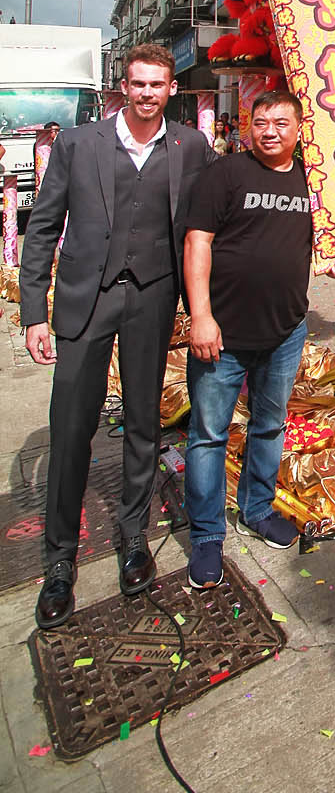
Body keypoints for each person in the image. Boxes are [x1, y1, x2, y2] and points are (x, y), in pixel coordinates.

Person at [20, 44, 215, 629]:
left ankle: (134, 536)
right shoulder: (79, 146)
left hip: (153, 297)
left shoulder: (191, 147)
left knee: (142, 424)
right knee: (71, 427)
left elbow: (205, 228)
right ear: (122, 87)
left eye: (158, 84)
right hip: (86, 299)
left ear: (172, 90)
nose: (148, 93)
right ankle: (60, 562)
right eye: (138, 84)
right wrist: (34, 312)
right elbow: (43, 228)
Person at [182, 89, 312, 589]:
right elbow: (198, 242)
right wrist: (201, 316)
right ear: (248, 126)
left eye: (281, 122)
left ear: (299, 130)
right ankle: (208, 536)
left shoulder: (312, 181)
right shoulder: (225, 174)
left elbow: (326, 242)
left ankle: (257, 509)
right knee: (209, 434)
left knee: (269, 425)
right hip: (223, 334)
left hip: (284, 332)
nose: (270, 130)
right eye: (261, 122)